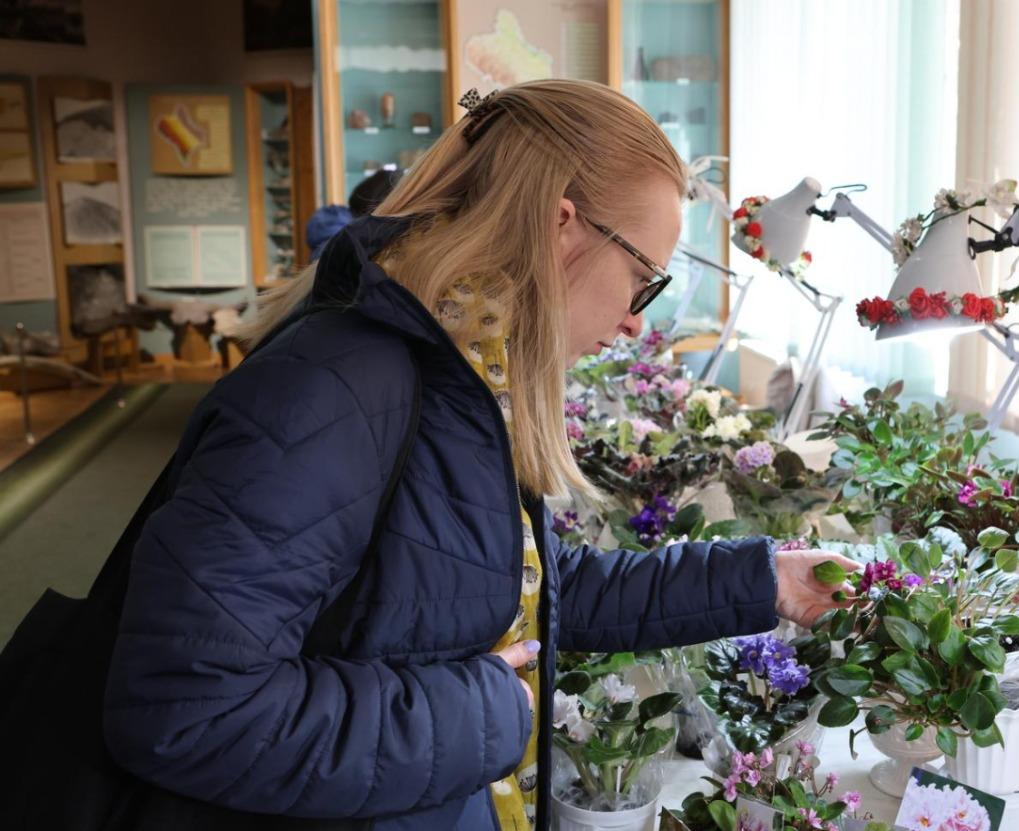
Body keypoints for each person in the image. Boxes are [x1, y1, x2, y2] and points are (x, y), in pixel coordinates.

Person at [101, 80, 858, 831]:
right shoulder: (335, 391)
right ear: (565, 226)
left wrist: (761, 579)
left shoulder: (455, 372)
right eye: (642, 281)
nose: (634, 322)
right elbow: (186, 707)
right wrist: (485, 712)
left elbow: (517, 587)